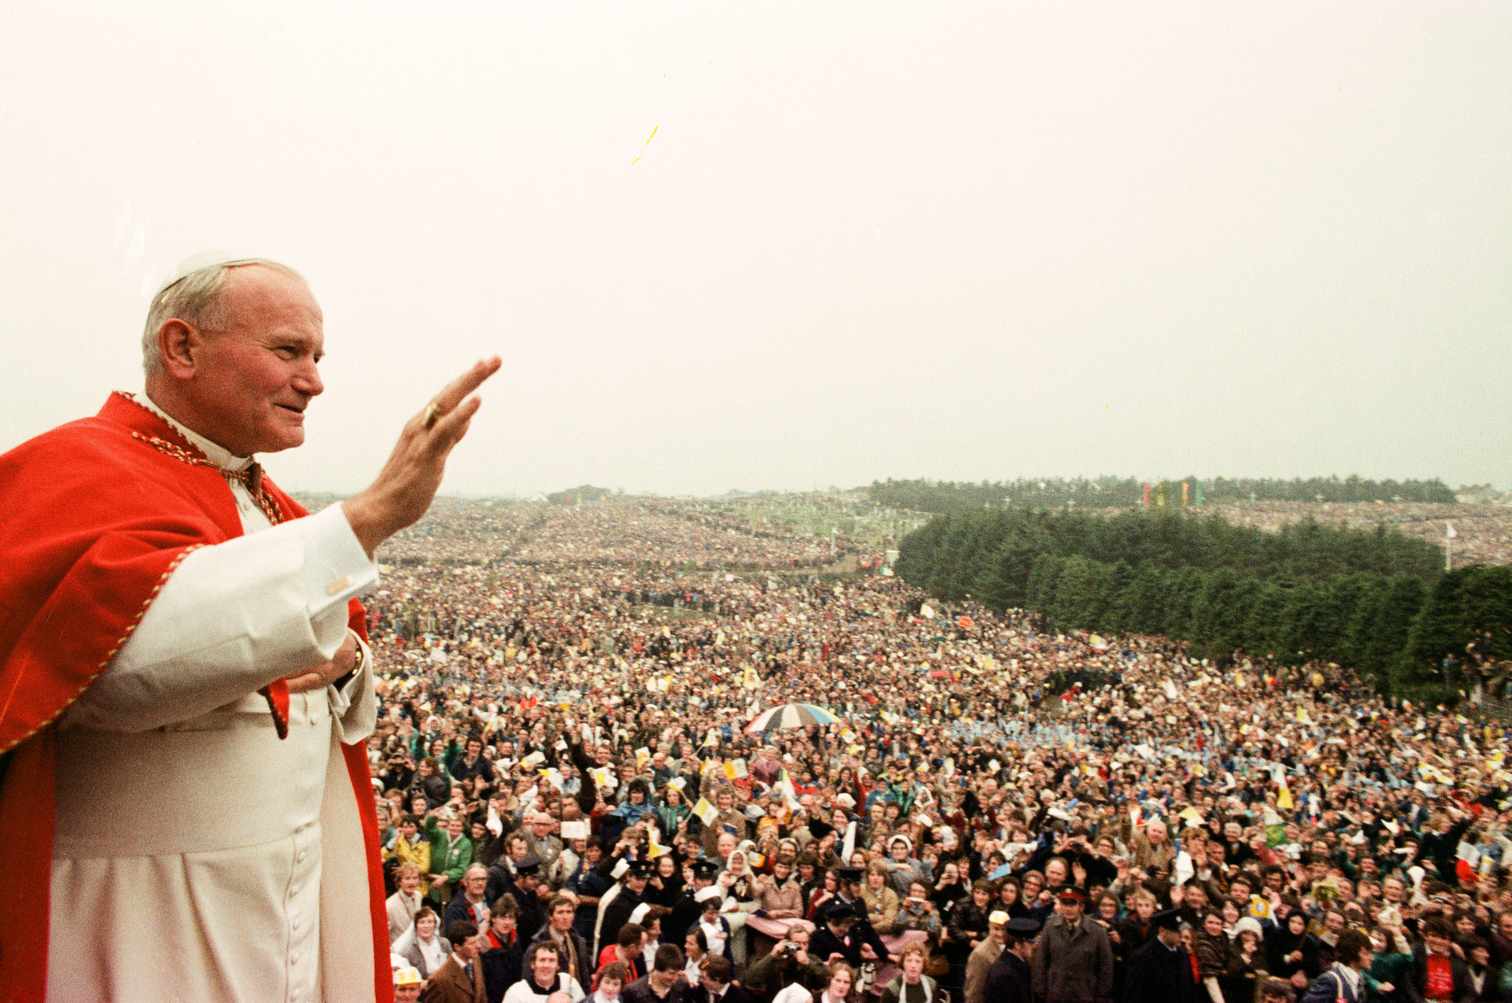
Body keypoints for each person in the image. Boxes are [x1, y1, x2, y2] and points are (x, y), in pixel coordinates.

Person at [0, 255, 501, 1001]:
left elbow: (331, 663)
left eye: (318, 356)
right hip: (139, 923)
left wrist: (349, 658)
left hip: (286, 910)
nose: (315, 379)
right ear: (183, 348)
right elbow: (118, 664)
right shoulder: (69, 471)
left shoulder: (270, 504)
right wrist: (370, 516)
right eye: (288, 350)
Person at [1031, 887, 1113, 1003]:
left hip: (1085, 994)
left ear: (1081, 907)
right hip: (1055, 993)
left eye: (1072, 904)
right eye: (1064, 904)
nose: (1068, 909)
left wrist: (1101, 996)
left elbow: (1106, 967)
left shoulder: (1097, 931)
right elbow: (1041, 960)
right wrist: (1041, 990)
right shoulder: (1050, 926)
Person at [1121, 909, 1197, 1003]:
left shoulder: (1182, 954)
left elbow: (1188, 988)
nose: (1181, 938)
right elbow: (1134, 994)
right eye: (1177, 933)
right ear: (1162, 931)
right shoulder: (1143, 957)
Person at [1300, 930, 1374, 1003]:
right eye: (1366, 953)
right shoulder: (1330, 980)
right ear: (1352, 954)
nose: (1371, 958)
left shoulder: (1360, 981)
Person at [424, 920, 488, 1003]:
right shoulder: (440, 980)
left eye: (477, 941)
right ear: (457, 947)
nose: (479, 946)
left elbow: (482, 996)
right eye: (472, 943)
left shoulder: (476, 960)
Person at [505, 941, 589, 1003]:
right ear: (533, 964)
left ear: (558, 965)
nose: (546, 965)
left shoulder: (569, 983)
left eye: (552, 960)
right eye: (542, 960)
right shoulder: (517, 992)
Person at [982, 917, 1040, 1003]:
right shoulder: (1004, 975)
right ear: (1017, 945)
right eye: (1031, 942)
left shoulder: (1021, 964)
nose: (1035, 946)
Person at [879, 941, 947, 1003]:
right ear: (903, 963)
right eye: (909, 960)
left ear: (923, 964)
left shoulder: (931, 985)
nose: (913, 965)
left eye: (918, 961)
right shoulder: (892, 988)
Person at [963, 910, 1007, 1003]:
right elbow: (974, 991)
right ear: (989, 927)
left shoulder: (1007, 946)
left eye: (1003, 929)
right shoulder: (980, 954)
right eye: (996, 929)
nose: (1000, 934)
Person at [622, 944, 687, 1003]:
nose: (675, 978)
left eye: (678, 973)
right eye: (671, 973)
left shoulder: (683, 986)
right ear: (658, 968)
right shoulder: (633, 992)